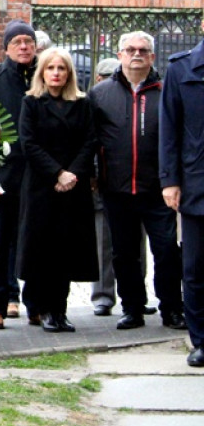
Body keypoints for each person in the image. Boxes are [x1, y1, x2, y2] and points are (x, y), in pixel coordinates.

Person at [90, 32, 185, 333]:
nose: (137, 54)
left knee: (167, 250)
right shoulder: (101, 93)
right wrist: (94, 173)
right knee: (124, 253)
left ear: (153, 57)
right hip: (117, 188)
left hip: (158, 189)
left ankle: (171, 307)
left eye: (144, 50)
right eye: (130, 49)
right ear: (119, 54)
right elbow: (90, 139)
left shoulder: (167, 90)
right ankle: (131, 308)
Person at [16, 47, 98, 333]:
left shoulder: (82, 103)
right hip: (42, 185)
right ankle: (43, 309)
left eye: (61, 68)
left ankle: (60, 310)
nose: (56, 73)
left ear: (69, 73)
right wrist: (58, 172)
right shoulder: (32, 103)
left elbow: (90, 141)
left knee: (65, 249)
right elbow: (28, 143)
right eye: (50, 68)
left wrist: (72, 173)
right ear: (42, 72)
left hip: (72, 188)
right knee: (42, 249)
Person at [0, 19, 37, 329]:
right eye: (17, 42)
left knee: (35, 241)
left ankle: (37, 303)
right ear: (6, 48)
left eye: (28, 41)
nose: (24, 47)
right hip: (1, 173)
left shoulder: (45, 74)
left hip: (37, 173)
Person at [159, 19, 204, 367]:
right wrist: (169, 180)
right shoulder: (182, 68)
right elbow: (169, 128)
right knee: (195, 267)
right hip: (196, 185)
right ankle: (201, 339)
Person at [90, 58, 120, 317]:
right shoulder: (96, 97)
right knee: (103, 241)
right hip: (103, 179)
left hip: (134, 181)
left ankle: (136, 295)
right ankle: (102, 295)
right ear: (98, 78)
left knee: (136, 244)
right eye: (107, 75)